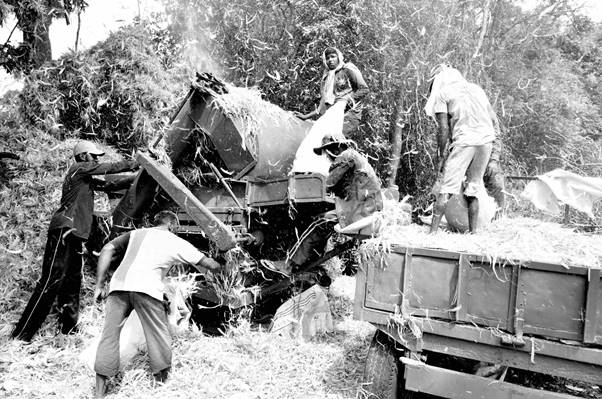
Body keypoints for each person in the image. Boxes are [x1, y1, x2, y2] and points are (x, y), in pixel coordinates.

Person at [11, 141, 139, 342]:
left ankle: (68, 330)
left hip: (76, 235)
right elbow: (109, 169)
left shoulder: (85, 180)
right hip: (64, 231)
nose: (96, 160)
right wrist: (136, 162)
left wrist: (136, 178)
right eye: (93, 156)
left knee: (72, 281)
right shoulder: (78, 169)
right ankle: (21, 335)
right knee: (51, 281)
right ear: (83, 157)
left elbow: (109, 184)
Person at [93, 210, 222, 398]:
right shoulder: (174, 240)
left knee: (109, 336)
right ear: (172, 225)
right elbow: (209, 264)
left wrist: (99, 284)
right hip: (146, 288)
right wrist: (224, 260)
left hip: (118, 286)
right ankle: (159, 386)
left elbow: (107, 249)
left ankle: (99, 393)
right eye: (176, 227)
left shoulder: (136, 234)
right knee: (158, 336)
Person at [262, 133, 382, 277]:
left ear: (336, 148)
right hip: (364, 211)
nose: (327, 157)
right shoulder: (358, 158)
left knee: (317, 223)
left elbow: (330, 183)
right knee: (323, 223)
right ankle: (311, 263)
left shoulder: (346, 156)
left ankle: (287, 265)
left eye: (326, 153)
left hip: (359, 214)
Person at [424, 65, 497, 234]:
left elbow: (443, 129)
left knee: (446, 188)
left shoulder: (443, 94)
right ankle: (473, 234)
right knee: (474, 188)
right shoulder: (477, 89)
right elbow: (493, 118)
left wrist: (441, 155)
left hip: (464, 141)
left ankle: (432, 234)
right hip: (486, 141)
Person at [294, 47, 369, 135]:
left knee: (333, 139)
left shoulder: (347, 69)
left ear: (339, 57)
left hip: (350, 114)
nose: (330, 60)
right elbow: (322, 106)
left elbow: (364, 89)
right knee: (318, 136)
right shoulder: (327, 77)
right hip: (334, 114)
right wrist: (305, 116)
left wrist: (345, 101)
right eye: (327, 58)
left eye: (333, 57)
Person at [484, 137, 506, 217]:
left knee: (497, 184)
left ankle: (498, 216)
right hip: (466, 156)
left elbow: (496, 139)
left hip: (487, 158)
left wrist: (493, 160)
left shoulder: (492, 124)